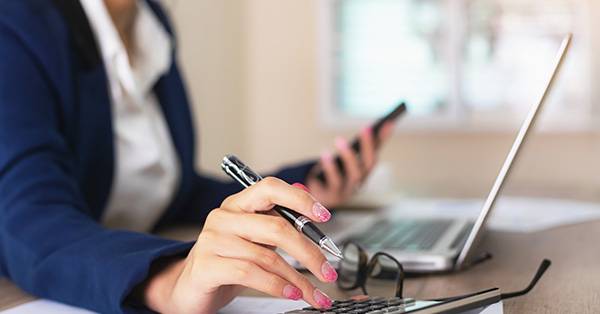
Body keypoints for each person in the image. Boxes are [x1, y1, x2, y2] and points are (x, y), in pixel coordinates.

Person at [0, 0, 395, 313]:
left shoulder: (152, 26)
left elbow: (173, 192)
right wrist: (166, 279)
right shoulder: (16, 23)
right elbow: (29, 220)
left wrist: (302, 187)